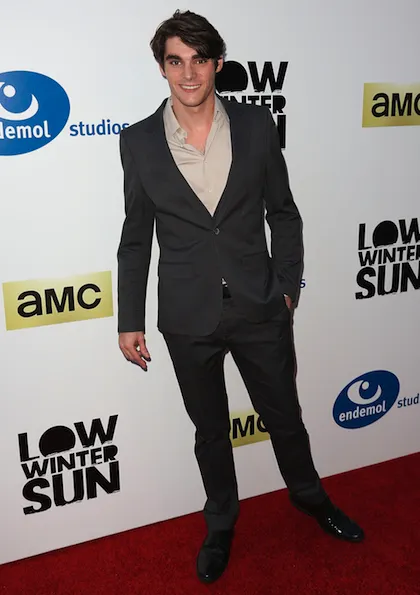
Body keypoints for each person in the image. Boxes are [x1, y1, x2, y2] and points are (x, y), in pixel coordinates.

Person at [117, 9, 364, 584]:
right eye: (176, 61)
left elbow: (284, 212)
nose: (188, 73)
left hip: (259, 305)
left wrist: (287, 289)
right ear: (161, 67)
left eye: (199, 60)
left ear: (218, 65)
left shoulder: (256, 125)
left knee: (285, 417)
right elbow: (136, 237)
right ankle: (221, 523)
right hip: (187, 315)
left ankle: (310, 497)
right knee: (210, 432)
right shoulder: (138, 142)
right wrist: (129, 318)